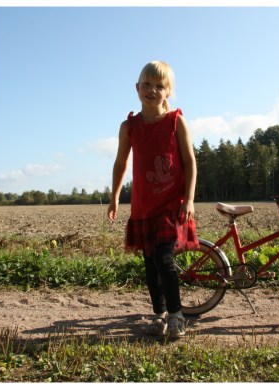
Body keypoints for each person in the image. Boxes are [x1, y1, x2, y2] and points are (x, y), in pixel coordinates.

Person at [108, 61, 199, 339]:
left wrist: (190, 199)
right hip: (143, 206)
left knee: (164, 259)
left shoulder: (176, 122)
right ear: (137, 88)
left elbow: (189, 161)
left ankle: (176, 316)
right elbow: (120, 163)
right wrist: (114, 198)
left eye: (159, 86)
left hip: (171, 205)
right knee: (150, 264)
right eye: (146, 85)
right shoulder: (129, 127)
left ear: (168, 92)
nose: (152, 90)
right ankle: (159, 314)